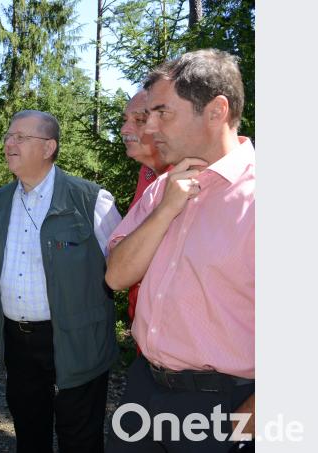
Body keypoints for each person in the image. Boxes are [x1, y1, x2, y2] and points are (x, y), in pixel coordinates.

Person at [104, 49, 254, 452]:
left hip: (224, 406)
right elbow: (116, 276)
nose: (150, 127)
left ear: (216, 111)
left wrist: (241, 431)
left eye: (162, 113)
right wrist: (166, 209)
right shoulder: (161, 189)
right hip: (143, 389)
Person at [0, 110, 123, 453]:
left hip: (77, 340)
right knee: (29, 434)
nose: (9, 143)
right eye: (8, 136)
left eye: (20, 137)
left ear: (48, 148)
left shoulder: (90, 200)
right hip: (17, 341)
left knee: (79, 438)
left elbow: (124, 266)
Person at [120, 89, 169, 326]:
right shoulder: (147, 173)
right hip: (144, 331)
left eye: (139, 120)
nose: (124, 130)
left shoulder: (192, 179)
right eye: (125, 120)